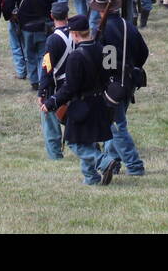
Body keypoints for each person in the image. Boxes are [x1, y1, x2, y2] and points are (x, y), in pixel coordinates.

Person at [40, 14, 120, 186]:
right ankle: (91, 177)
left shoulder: (75, 57)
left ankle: (104, 162)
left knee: (75, 143)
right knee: (88, 141)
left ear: (75, 34)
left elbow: (70, 88)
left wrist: (52, 102)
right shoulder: (103, 49)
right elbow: (109, 76)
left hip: (82, 105)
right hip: (100, 102)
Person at [93, 0, 149, 176]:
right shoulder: (129, 26)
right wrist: (131, 68)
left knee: (117, 127)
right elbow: (144, 52)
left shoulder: (104, 31)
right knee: (112, 125)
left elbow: (106, 63)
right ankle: (113, 162)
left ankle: (134, 165)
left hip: (112, 85)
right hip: (129, 82)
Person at [37, 2, 72, 160]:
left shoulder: (52, 40)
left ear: (52, 16)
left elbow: (47, 68)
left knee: (50, 120)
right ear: (67, 16)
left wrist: (42, 92)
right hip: (75, 83)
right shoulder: (77, 33)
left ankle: (55, 154)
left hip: (58, 86)